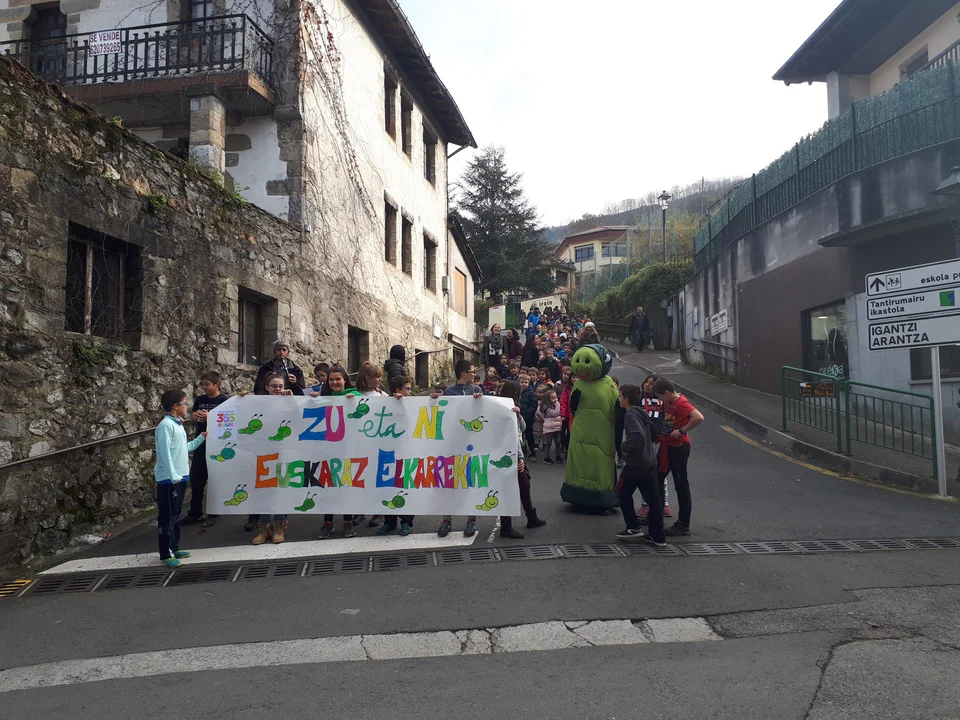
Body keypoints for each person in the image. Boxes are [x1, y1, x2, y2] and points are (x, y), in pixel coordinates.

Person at [561, 343, 619, 510]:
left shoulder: (608, 383)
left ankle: (602, 497)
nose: (581, 366)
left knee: (599, 461)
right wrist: (574, 401)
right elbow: (573, 409)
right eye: (578, 361)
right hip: (580, 429)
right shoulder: (579, 383)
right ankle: (577, 494)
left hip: (602, 431)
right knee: (579, 460)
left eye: (586, 361)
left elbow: (617, 408)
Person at [154, 389, 206, 567]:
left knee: (175, 515)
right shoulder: (165, 426)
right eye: (184, 403)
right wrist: (173, 475)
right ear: (176, 406)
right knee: (167, 517)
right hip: (170, 480)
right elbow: (164, 454)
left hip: (180, 477)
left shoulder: (177, 425)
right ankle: (165, 553)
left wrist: (200, 439)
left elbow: (184, 449)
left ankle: (173, 547)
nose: (187, 407)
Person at [614, 384, 665, 547]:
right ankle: (657, 536)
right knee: (653, 499)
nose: (618, 398)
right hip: (649, 460)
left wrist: (624, 447)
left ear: (626, 399)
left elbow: (637, 436)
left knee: (622, 492)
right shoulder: (641, 411)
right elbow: (654, 432)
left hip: (636, 463)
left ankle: (633, 527)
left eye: (620, 396)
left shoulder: (630, 415)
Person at [653, 377, 704, 536]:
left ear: (667, 393)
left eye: (660, 396)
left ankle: (683, 524)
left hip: (678, 447)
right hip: (667, 445)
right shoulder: (669, 402)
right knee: (656, 478)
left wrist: (682, 430)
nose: (660, 400)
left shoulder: (681, 403)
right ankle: (656, 515)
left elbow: (698, 417)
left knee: (681, 484)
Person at [437, 359, 483, 536]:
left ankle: (471, 521)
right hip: (453, 444)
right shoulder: (449, 392)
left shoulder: (477, 390)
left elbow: (483, 413)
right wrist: (434, 401)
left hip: (472, 444)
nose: (475, 375)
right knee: (450, 482)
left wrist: (481, 401)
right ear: (463, 374)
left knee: (471, 481)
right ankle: (446, 520)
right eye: (472, 372)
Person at [249, 372, 296, 545]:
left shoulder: (289, 402)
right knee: (264, 488)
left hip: (284, 451)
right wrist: (242, 398)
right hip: (263, 451)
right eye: (274, 386)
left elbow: (299, 416)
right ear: (267, 388)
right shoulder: (257, 403)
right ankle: (264, 528)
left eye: (280, 386)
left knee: (280, 487)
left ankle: (278, 527)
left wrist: (292, 400)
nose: (278, 389)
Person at [180, 371, 229, 527]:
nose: (204, 387)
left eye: (207, 384)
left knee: (215, 478)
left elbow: (228, 423)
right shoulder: (200, 400)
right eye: (202, 384)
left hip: (218, 444)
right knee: (196, 478)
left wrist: (210, 418)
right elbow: (195, 418)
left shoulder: (224, 401)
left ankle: (215, 512)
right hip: (201, 441)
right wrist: (197, 418)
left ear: (217, 384)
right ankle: (195, 512)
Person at [497, 380, 546, 539]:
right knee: (513, 487)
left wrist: (518, 416)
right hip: (509, 454)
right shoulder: (505, 409)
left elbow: (521, 429)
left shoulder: (511, 408)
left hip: (509, 453)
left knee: (523, 485)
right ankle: (507, 526)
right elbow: (513, 437)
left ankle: (530, 517)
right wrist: (519, 458)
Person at [319, 366, 362, 539]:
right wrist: (313, 399)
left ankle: (347, 521)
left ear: (345, 380)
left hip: (349, 449)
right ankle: (328, 522)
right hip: (328, 448)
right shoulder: (324, 397)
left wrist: (355, 402)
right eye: (331, 379)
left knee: (346, 484)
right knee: (328, 485)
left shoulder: (354, 395)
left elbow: (365, 411)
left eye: (338, 379)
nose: (335, 382)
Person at [379, 375, 416, 536]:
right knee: (388, 486)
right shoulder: (386, 403)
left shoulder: (414, 405)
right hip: (388, 452)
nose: (410, 392)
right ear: (398, 390)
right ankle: (389, 521)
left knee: (405, 485)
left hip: (407, 452)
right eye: (407, 389)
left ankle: (406, 522)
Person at [636, 374, 671, 520]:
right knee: (645, 472)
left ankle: (664, 503)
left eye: (651, 383)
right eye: (646, 382)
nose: (647, 385)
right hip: (643, 440)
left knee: (659, 473)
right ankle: (646, 504)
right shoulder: (639, 398)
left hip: (658, 441)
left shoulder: (663, 400)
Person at [537, 388, 563, 464]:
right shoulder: (546, 407)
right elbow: (556, 413)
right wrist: (557, 403)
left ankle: (558, 456)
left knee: (558, 443)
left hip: (556, 427)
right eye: (553, 398)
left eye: (556, 397)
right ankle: (546, 457)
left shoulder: (553, 405)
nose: (555, 399)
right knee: (548, 443)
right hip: (549, 428)